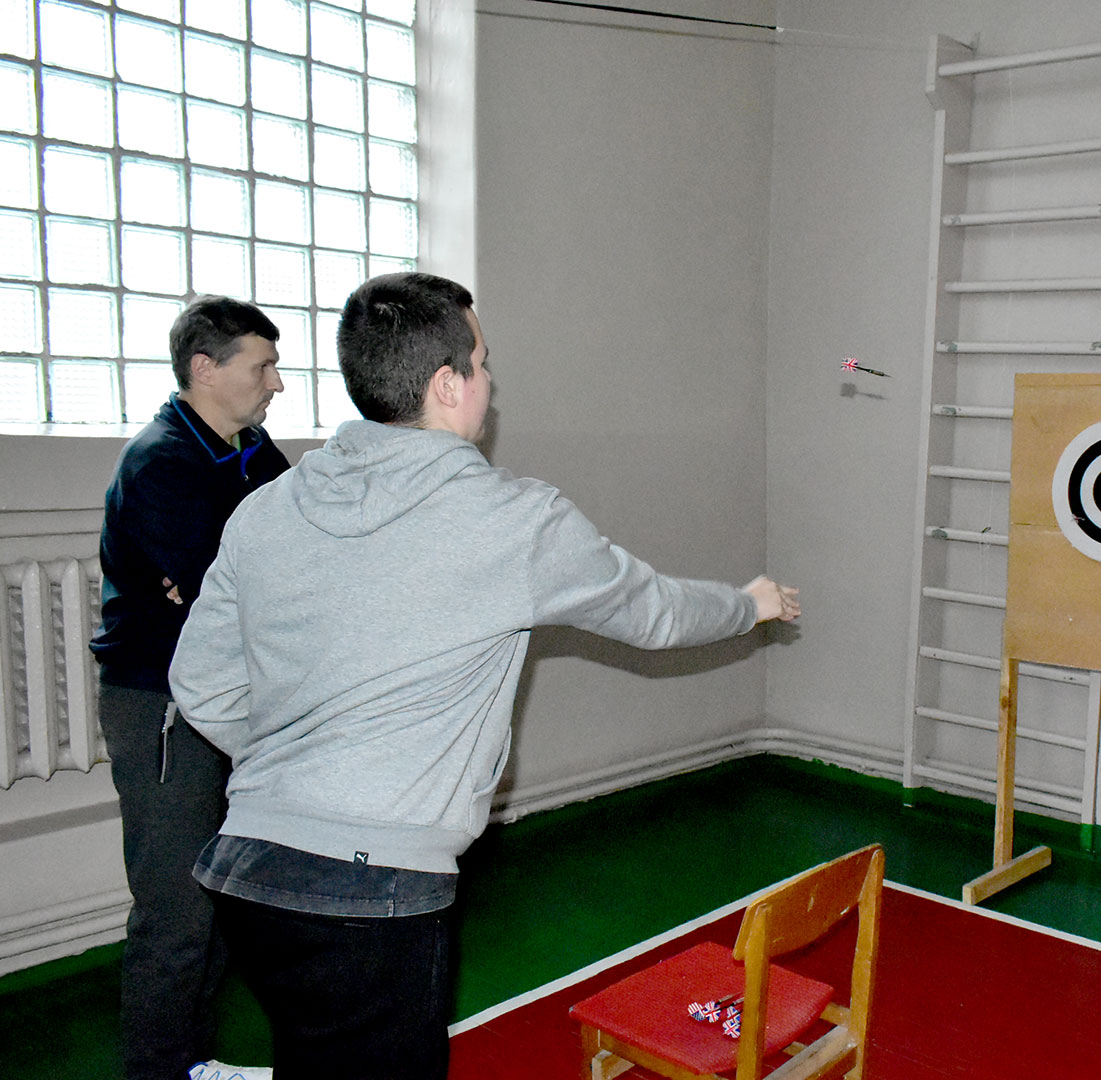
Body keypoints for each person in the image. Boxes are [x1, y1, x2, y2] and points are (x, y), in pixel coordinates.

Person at [169, 272, 800, 1080]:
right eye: (484, 361)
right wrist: (747, 605)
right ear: (447, 384)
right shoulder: (515, 520)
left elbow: (202, 683)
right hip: (375, 894)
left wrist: (293, 769)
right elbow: (654, 613)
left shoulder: (266, 508)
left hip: (248, 874)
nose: (491, 381)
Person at [90, 296, 289, 1080]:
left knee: (223, 901)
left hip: (229, 698)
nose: (276, 384)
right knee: (178, 913)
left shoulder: (250, 451)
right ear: (205, 368)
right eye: (262, 367)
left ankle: (193, 1063)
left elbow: (296, 556)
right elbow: (220, 595)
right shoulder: (162, 463)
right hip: (162, 709)